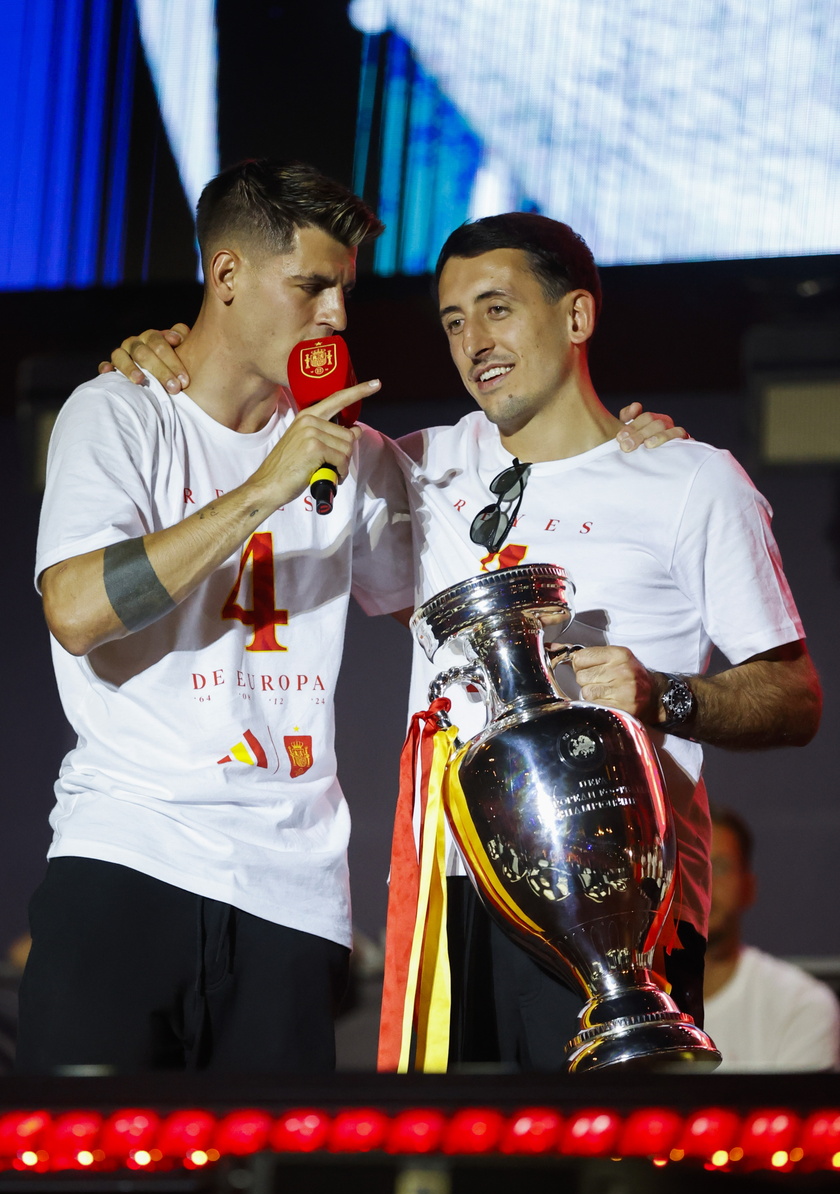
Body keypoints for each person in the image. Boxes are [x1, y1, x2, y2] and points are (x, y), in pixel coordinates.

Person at [99, 212, 820, 1074]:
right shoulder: (416, 470)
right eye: (451, 321)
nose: (474, 341)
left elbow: (795, 696)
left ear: (577, 318)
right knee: (461, 1191)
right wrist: (166, 348)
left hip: (620, 907)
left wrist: (660, 694)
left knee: (608, 1189)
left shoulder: (690, 481)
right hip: (452, 909)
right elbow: (247, 417)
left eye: (497, 308)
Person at [16, 158, 415, 1075]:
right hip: (127, 852)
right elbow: (74, 611)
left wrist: (626, 444)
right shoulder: (117, 413)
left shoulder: (344, 445)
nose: (337, 317)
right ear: (227, 275)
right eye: (312, 286)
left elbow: (442, 593)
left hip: (293, 891)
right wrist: (266, 489)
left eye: (344, 291)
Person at [703, 805, 840, 1072]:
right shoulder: (624, 1007)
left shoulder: (801, 1006)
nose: (703, 883)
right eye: (691, 866)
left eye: (720, 868)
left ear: (748, 887)